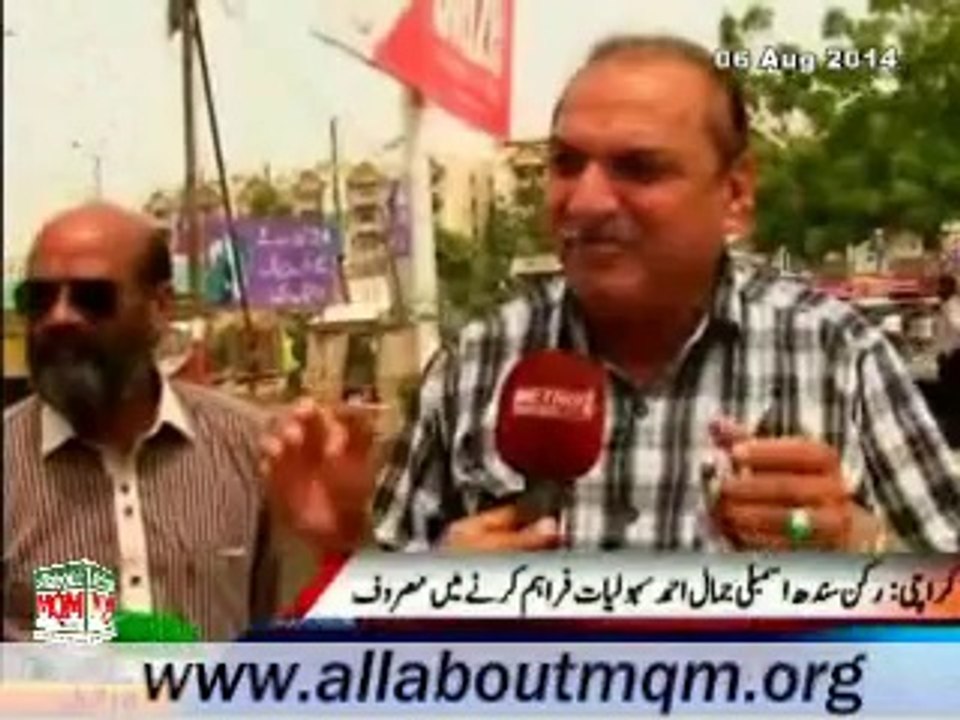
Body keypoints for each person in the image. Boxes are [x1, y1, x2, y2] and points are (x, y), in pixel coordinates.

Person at [261, 35, 960, 554]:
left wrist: (861, 545)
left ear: (737, 195)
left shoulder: (840, 352)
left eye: (639, 168)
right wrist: (385, 562)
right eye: (565, 163)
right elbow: (377, 639)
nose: (585, 200)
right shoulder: (479, 360)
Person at [3, 201, 279, 640]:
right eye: (38, 299)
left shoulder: (249, 446)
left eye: (92, 298)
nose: (59, 317)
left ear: (161, 306)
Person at [934, 273, 960, 440]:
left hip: (954, 360)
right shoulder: (949, 305)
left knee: (954, 400)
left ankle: (954, 435)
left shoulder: (952, 306)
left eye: (942, 286)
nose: (938, 290)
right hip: (950, 358)